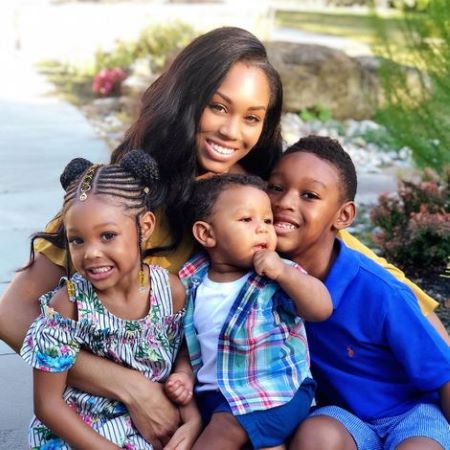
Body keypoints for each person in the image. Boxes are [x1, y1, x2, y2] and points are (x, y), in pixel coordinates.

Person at [0, 26, 446, 446]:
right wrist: (132, 388)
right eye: (217, 107)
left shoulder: (255, 199)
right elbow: (12, 313)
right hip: (124, 410)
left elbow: (369, 273)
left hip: (235, 404)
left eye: (252, 117)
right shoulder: (121, 201)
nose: (232, 132)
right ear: (184, 100)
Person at [265, 136, 450, 450]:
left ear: (344, 216)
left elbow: (443, 373)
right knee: (314, 437)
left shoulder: (379, 291)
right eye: (276, 188)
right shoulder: (265, 276)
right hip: (344, 417)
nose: (285, 202)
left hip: (411, 413)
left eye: (309, 195)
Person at [20, 150, 201, 449]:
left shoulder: (171, 292)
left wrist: (192, 421)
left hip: (150, 430)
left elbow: (182, 358)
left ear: (145, 227)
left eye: (107, 236)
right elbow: (47, 405)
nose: (91, 253)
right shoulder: (68, 305)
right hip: (82, 435)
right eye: (77, 240)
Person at [166, 174, 331, 450]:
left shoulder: (275, 278)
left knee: (223, 430)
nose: (262, 229)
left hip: (274, 393)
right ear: (206, 234)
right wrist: (183, 374)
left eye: (267, 220)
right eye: (247, 220)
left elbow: (321, 308)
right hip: (215, 397)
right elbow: (189, 346)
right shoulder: (191, 282)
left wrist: (284, 274)